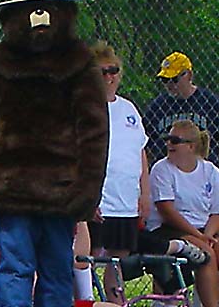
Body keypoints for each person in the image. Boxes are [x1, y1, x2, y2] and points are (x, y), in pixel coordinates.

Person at [0, 0, 108, 307]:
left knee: (43, 271)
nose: (39, 20)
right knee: (21, 270)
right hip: (21, 191)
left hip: (54, 192)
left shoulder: (79, 59)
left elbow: (94, 130)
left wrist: (88, 188)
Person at [87, 41, 150, 303]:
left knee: (118, 260)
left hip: (125, 203)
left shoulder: (129, 110)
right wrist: (87, 199)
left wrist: (145, 195)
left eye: (113, 70)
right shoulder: (84, 108)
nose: (109, 77)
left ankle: (115, 302)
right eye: (102, 71)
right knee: (86, 257)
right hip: (99, 202)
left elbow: (140, 153)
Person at [148, 119, 219, 307]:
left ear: (191, 146)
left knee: (214, 247)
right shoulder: (161, 169)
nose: (168, 144)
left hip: (203, 229)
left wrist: (208, 235)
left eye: (174, 140)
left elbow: (216, 211)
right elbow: (167, 211)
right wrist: (200, 237)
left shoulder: (210, 171)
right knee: (206, 253)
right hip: (168, 228)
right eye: (167, 139)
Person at [143, 51, 219, 165]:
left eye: (174, 79)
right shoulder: (157, 107)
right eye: (165, 80)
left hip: (203, 171)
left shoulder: (210, 103)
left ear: (189, 75)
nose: (170, 84)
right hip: (167, 170)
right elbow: (145, 143)